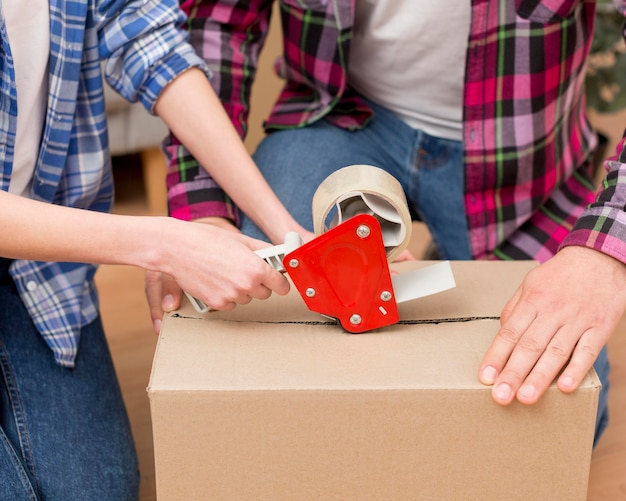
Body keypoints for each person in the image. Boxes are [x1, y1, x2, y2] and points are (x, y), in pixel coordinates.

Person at [157, 0, 626, 447]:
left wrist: (604, 251)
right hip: (344, 115)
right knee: (271, 338)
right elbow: (217, 22)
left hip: (522, 159)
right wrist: (205, 213)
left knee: (565, 414)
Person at [0, 0, 309, 498]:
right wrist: (166, 243)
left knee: (99, 490)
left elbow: (154, 48)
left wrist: (286, 229)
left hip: (36, 272)